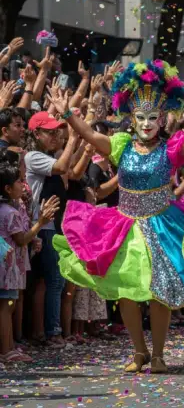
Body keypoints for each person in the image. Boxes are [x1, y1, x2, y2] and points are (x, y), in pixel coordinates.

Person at [49, 60, 184, 373]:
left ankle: (158, 354)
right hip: (125, 227)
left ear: (161, 119)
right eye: (141, 117)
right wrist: (67, 114)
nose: (146, 124)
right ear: (132, 118)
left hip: (162, 226)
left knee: (160, 292)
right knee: (127, 294)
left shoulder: (171, 149)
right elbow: (88, 133)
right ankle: (139, 352)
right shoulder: (121, 146)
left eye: (152, 118)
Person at [25, 112, 79, 348]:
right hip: (42, 225)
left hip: (51, 225)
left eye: (58, 131)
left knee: (48, 282)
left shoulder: (47, 154)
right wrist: (74, 139)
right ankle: (52, 331)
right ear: (36, 134)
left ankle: (43, 331)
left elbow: (71, 169)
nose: (56, 135)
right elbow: (61, 166)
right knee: (53, 280)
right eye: (50, 132)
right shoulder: (33, 156)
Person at [0, 158, 60, 362]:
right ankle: (7, 350)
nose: (23, 185)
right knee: (6, 307)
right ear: (8, 188)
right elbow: (21, 239)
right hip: (7, 269)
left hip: (7, 266)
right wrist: (40, 223)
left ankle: (9, 347)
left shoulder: (7, 210)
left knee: (8, 306)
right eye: (19, 181)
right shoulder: (10, 213)